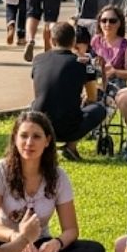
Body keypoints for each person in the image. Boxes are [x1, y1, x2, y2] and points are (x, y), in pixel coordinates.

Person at [0, 111, 105, 252]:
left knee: (94, 250)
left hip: (40, 246)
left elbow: (71, 229)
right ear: (15, 139)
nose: (29, 143)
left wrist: (56, 243)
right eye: (24, 136)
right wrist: (17, 237)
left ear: (47, 141)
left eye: (36, 137)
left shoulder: (58, 176)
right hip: (7, 243)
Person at [30, 22, 105, 162]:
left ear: (52, 41)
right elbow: (92, 97)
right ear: (74, 42)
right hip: (68, 127)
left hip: (40, 124)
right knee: (99, 109)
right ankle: (71, 146)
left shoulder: (38, 60)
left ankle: (46, 145)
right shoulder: (84, 63)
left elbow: (38, 93)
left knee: (34, 103)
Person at [89, 4, 127, 86]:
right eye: (104, 20)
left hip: (116, 85)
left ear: (119, 23)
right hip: (96, 83)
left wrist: (115, 72)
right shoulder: (95, 40)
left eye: (112, 21)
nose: (107, 24)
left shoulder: (126, 45)